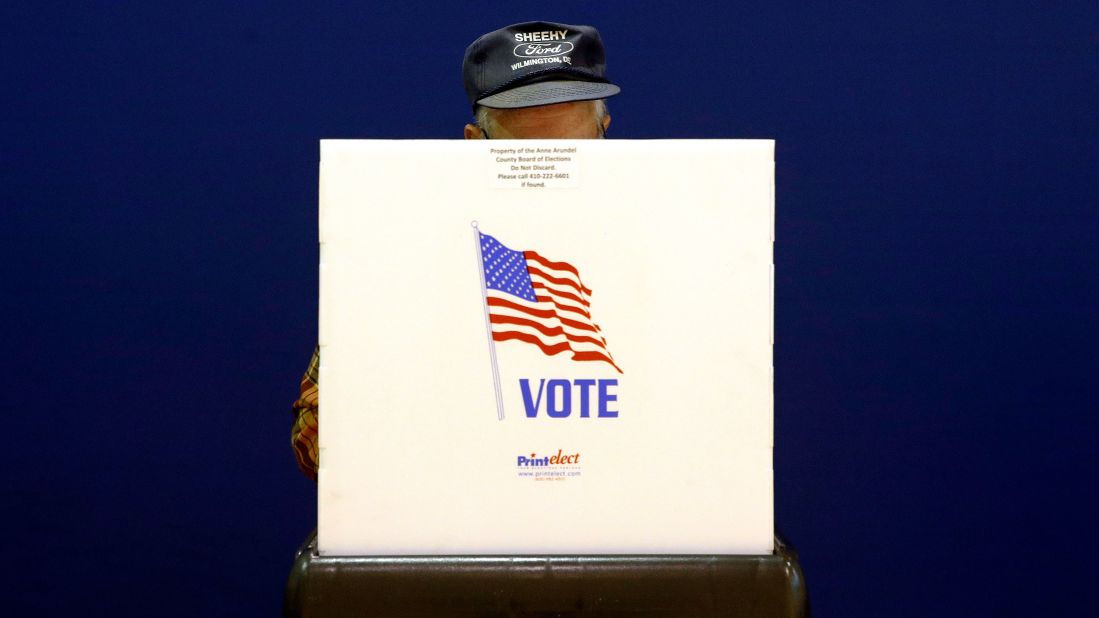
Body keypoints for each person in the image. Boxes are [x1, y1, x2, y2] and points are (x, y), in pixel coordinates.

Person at [291, 20, 621, 479]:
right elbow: (314, 439)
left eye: (572, 150)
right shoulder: (405, 249)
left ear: (606, 132)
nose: (552, 171)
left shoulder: (671, 245)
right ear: (474, 144)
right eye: (524, 154)